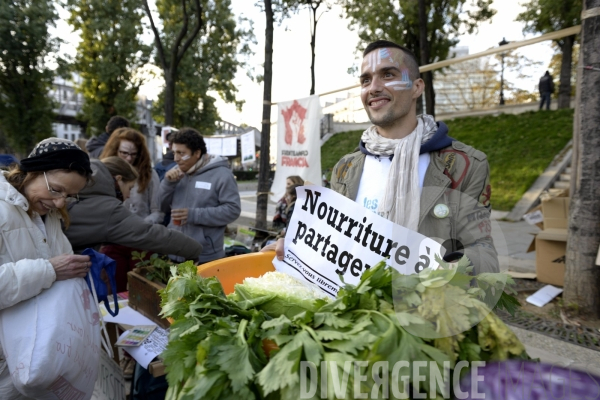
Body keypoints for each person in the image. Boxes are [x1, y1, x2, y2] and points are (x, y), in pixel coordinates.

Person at [270, 40, 498, 274]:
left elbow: (482, 252)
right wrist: (293, 241)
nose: (373, 88)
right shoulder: (345, 169)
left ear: (417, 87)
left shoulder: (465, 165)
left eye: (388, 75)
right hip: (354, 307)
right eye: (366, 80)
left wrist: (446, 272)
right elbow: (332, 239)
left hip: (424, 306)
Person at [0, 138, 94, 397]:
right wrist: (50, 269)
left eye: (69, 196)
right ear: (33, 171)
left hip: (30, 358)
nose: (61, 203)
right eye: (55, 189)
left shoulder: (48, 215)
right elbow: (50, 269)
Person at [65, 156, 203, 292]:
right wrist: (194, 249)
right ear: (119, 179)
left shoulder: (79, 190)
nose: (129, 195)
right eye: (130, 188)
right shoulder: (108, 209)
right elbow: (149, 234)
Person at [159, 128, 241, 264]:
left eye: (181, 153)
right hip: (174, 251)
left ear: (197, 153)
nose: (176, 159)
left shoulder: (222, 175)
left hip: (205, 256)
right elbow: (160, 207)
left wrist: (194, 215)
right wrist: (167, 184)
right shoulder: (175, 172)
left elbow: (232, 210)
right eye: (174, 152)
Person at [100, 128, 164, 224]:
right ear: (115, 150)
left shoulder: (148, 174)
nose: (129, 158)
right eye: (124, 153)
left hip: (141, 231)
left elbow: (158, 211)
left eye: (134, 154)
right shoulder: (105, 172)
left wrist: (141, 225)